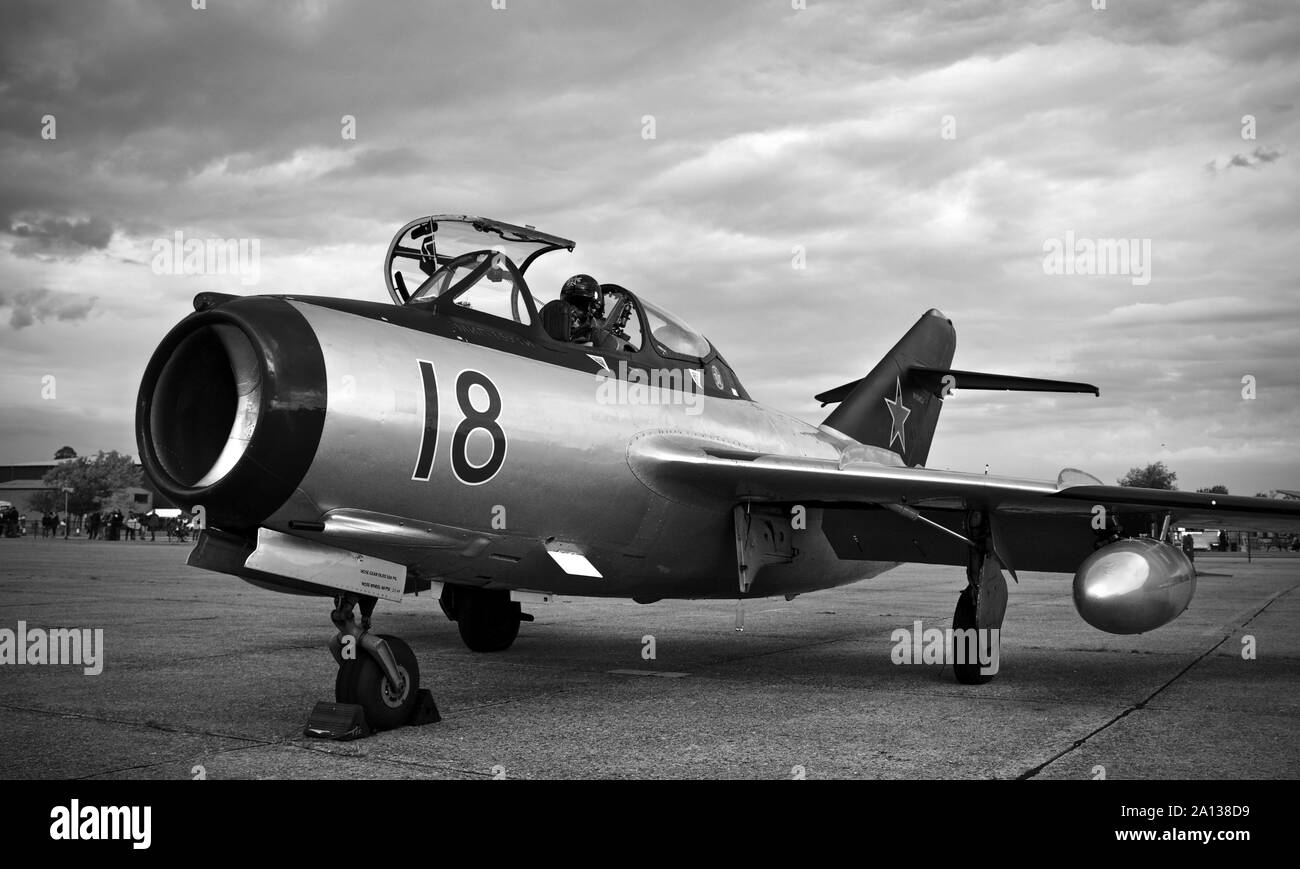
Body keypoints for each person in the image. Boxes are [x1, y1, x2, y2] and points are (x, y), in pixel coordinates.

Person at [540, 275, 619, 350]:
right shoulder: (546, 329)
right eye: (568, 303)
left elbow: (622, 363)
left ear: (592, 309)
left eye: (580, 304)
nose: (571, 310)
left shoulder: (602, 339)